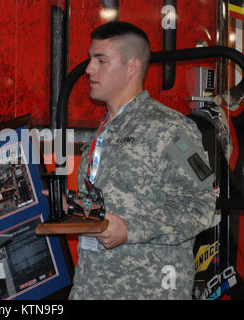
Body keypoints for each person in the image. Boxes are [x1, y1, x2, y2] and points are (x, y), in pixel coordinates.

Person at [69, 21, 216, 299]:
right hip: (93, 287)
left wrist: (130, 230)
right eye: (90, 59)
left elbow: (201, 205)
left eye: (100, 60)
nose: (89, 68)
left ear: (132, 67)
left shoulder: (171, 129)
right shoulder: (103, 132)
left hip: (148, 291)